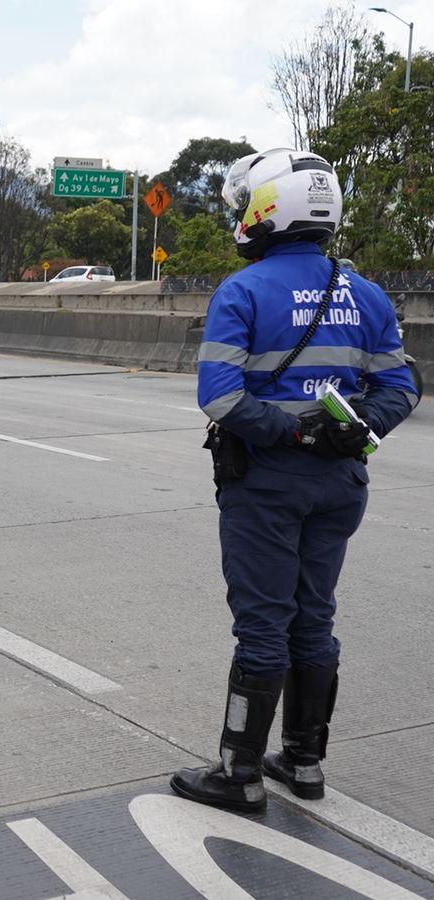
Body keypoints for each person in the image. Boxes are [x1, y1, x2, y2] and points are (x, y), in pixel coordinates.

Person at [170, 149, 418, 813]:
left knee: (263, 624)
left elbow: (219, 399)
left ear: (268, 207)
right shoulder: (364, 292)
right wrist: (353, 428)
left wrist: (292, 431)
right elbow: (402, 385)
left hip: (267, 485)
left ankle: (239, 774)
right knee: (315, 618)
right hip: (340, 485)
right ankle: (304, 764)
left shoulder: (243, 291)